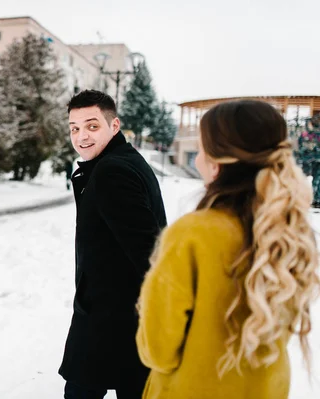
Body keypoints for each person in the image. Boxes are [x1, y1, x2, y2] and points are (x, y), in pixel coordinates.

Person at [136, 100, 320, 399]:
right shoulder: (289, 233)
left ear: (216, 162)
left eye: (201, 149)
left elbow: (157, 352)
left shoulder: (191, 235)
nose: (196, 161)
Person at [59, 90, 167, 398]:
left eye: (92, 126)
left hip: (112, 320)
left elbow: (148, 251)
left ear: (114, 126)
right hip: (119, 318)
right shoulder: (122, 161)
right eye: (74, 128)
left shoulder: (112, 171)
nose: (81, 136)